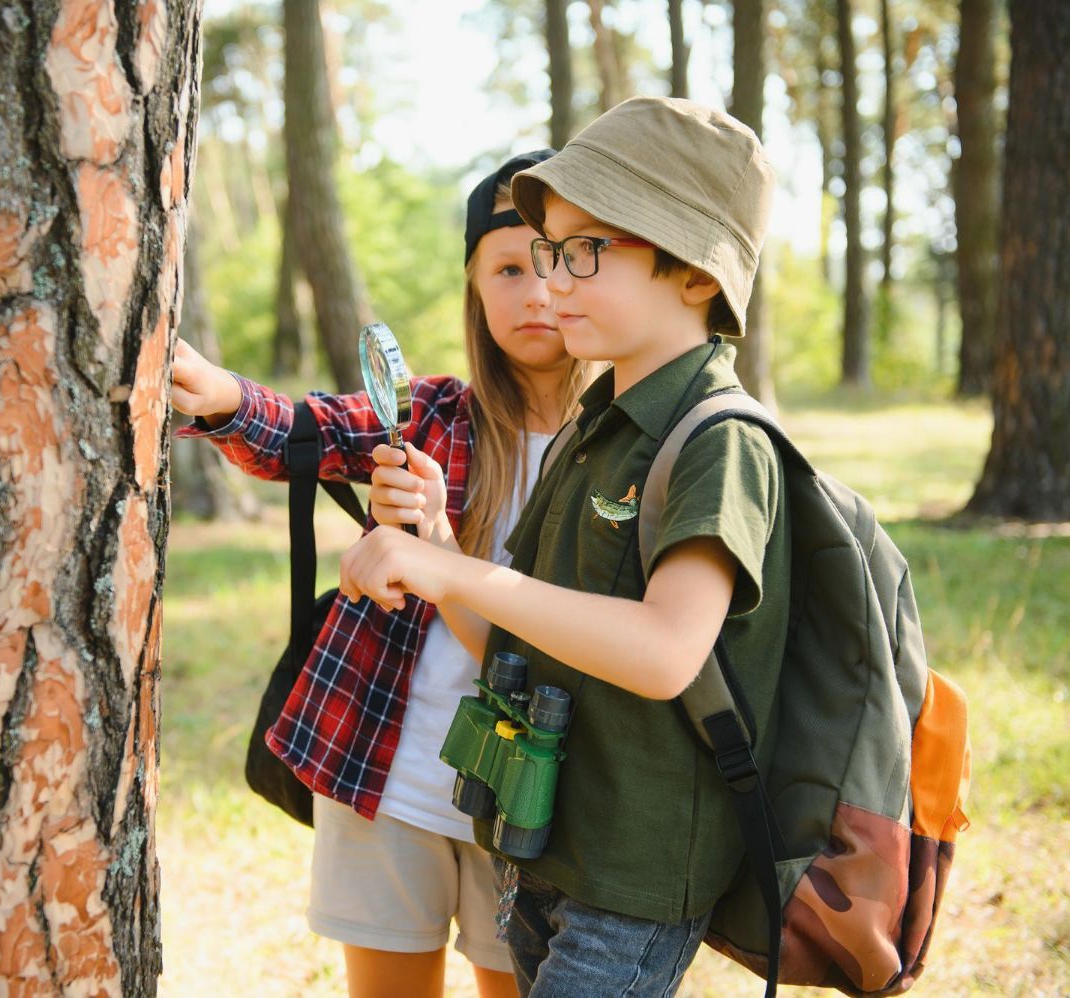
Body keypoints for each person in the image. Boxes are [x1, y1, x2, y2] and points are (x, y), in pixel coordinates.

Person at [338, 96, 790, 997]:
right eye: (547, 252)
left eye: (585, 251)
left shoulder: (717, 440)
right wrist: (433, 543)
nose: (551, 282)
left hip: (632, 878)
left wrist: (454, 567)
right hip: (547, 848)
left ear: (697, 272)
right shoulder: (598, 429)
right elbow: (512, 636)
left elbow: (666, 652)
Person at [170, 149, 588, 998]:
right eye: (507, 267)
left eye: (554, 261)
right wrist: (217, 394)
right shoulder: (431, 414)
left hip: (535, 797)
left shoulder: (626, 453)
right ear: (474, 288)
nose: (535, 291)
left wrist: (435, 539)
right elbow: (302, 429)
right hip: (387, 772)